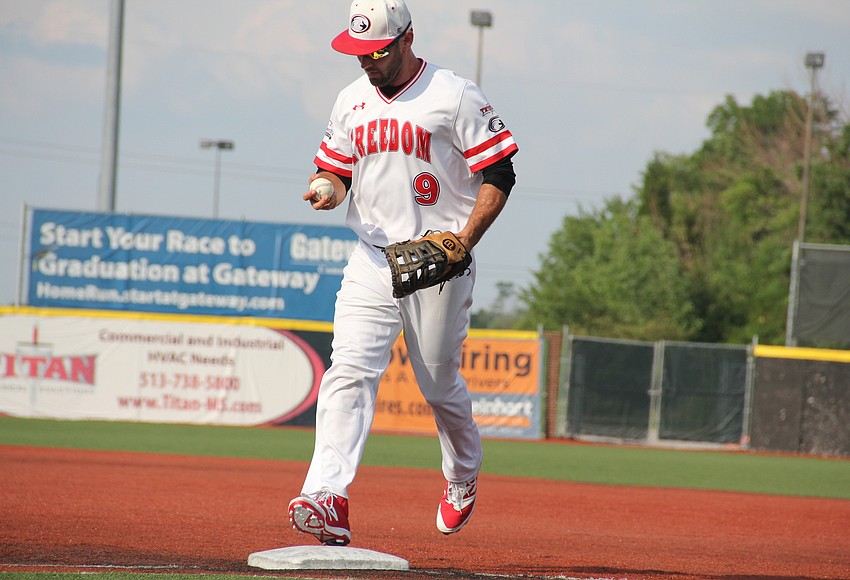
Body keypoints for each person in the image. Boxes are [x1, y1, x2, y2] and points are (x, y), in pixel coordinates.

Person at [288, 0, 518, 546]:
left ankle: (462, 473)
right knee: (348, 370)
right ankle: (328, 496)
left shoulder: (454, 94)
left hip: (439, 260)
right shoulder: (350, 100)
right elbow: (335, 168)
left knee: (438, 385)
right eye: (359, 51)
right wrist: (328, 187)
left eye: (377, 50)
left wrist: (464, 242)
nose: (366, 60)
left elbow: (500, 173)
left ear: (407, 38)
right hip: (372, 256)